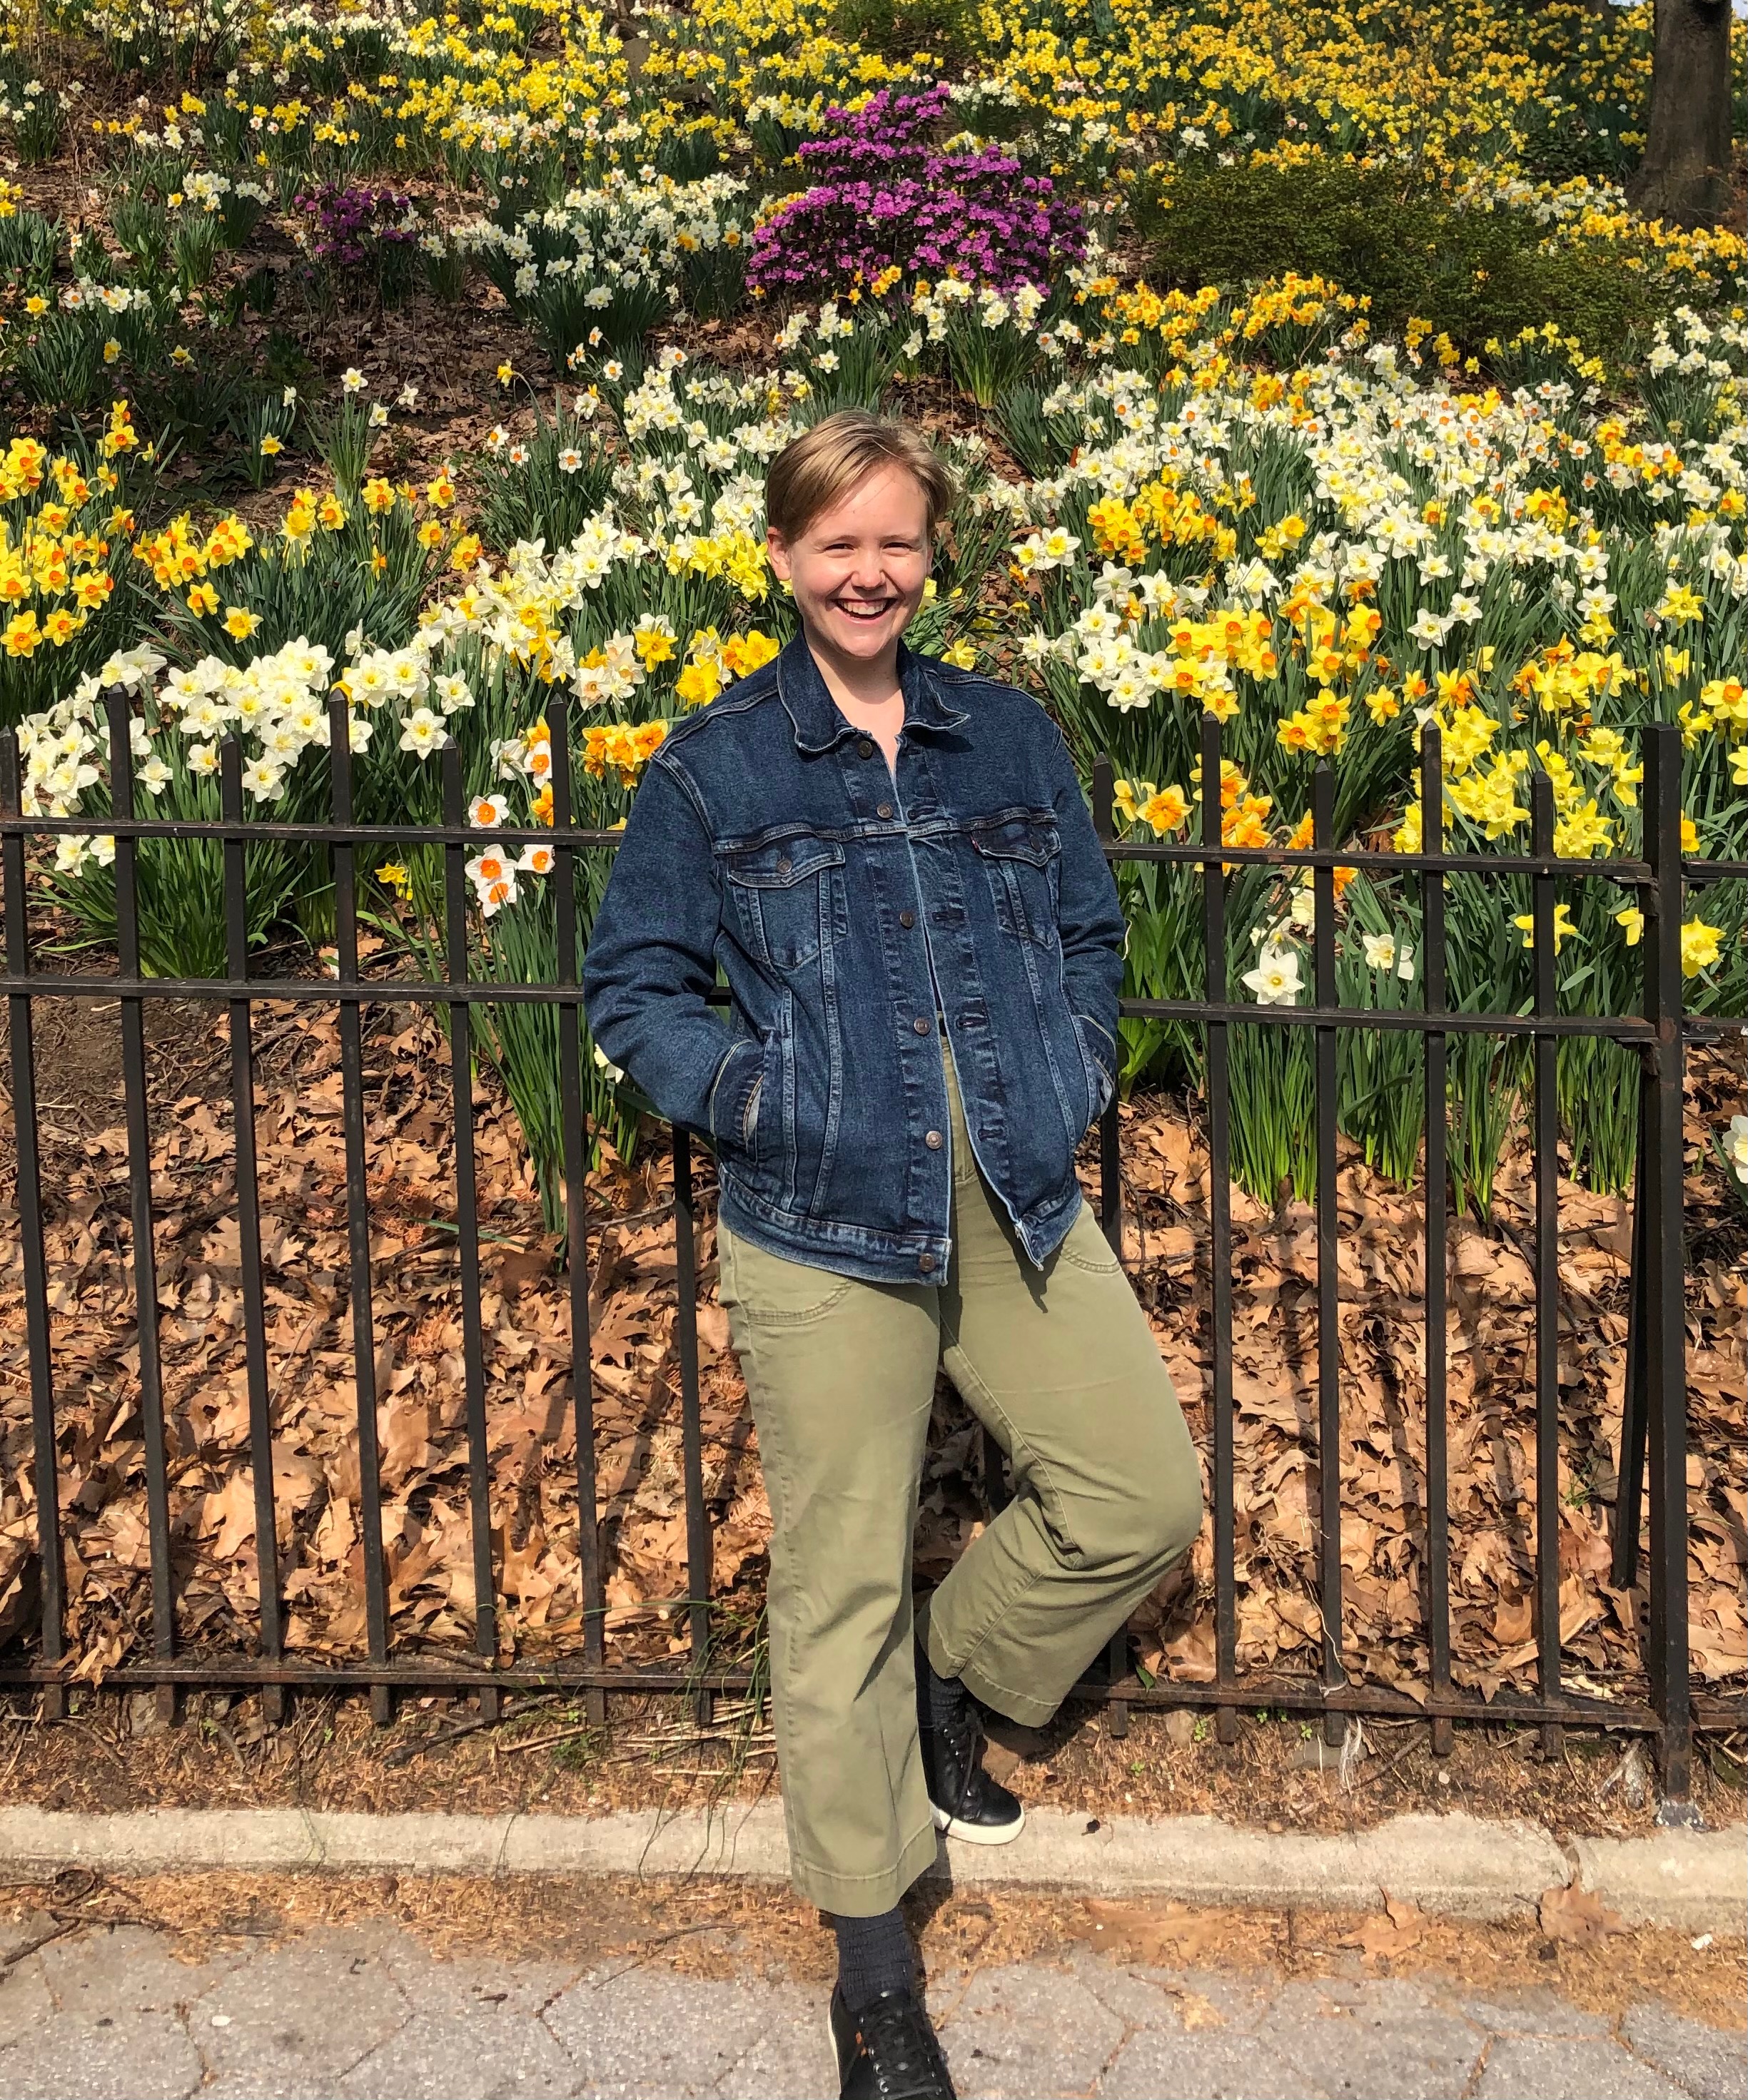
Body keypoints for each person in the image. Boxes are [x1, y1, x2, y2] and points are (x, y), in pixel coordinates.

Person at [583, 410, 1203, 2100]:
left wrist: (1077, 1061)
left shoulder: (1004, 738)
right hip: (823, 1216)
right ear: (781, 557)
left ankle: (958, 1671)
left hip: (1008, 1187)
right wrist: (759, 1101)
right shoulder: (715, 766)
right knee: (841, 1576)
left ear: (932, 558)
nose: (868, 572)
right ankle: (872, 1966)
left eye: (898, 543)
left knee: (1139, 1492)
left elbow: (1086, 927)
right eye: (836, 542)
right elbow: (633, 985)